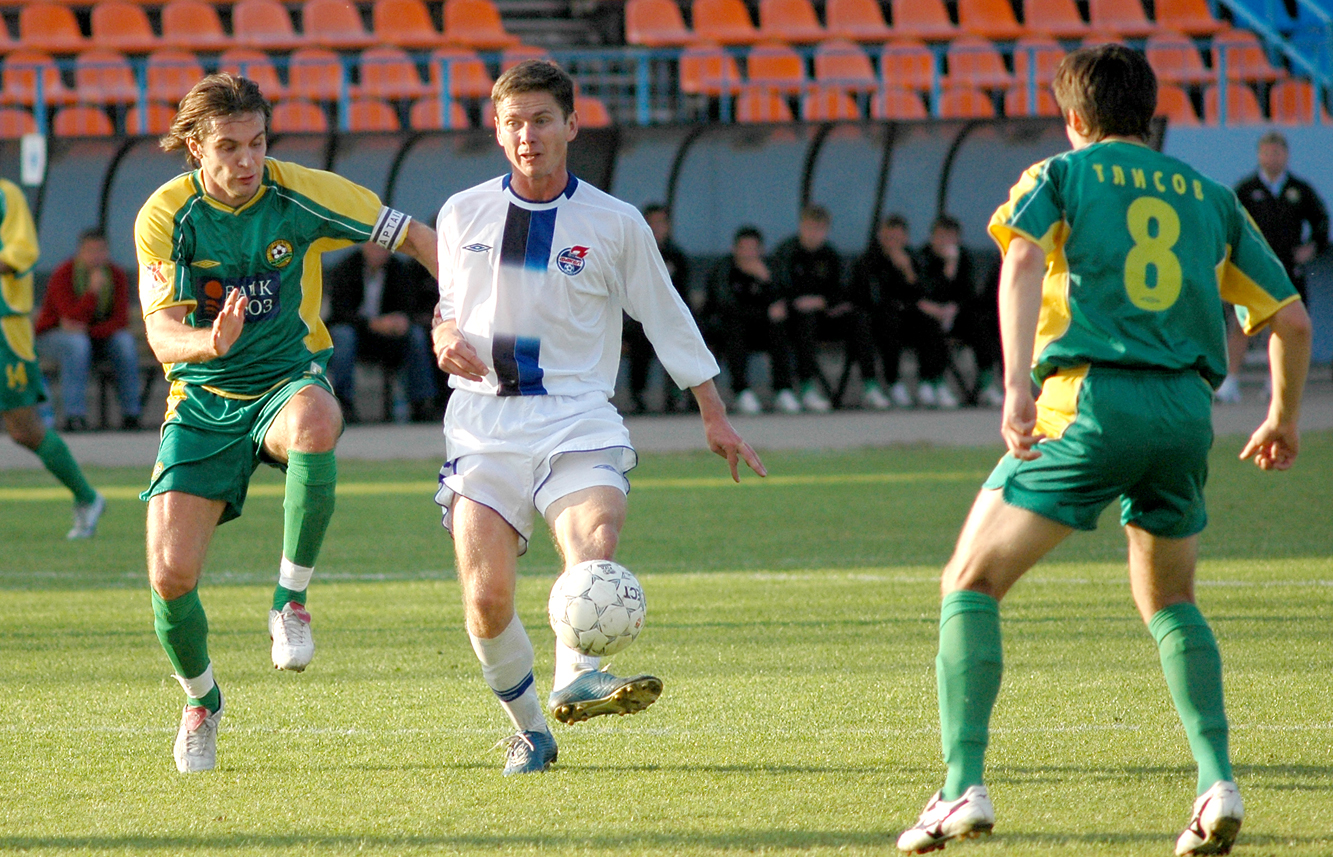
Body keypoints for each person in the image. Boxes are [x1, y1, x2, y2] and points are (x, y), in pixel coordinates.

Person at [896, 45, 1311, 856]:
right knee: (1171, 601)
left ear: (1072, 118)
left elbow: (1021, 257)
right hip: (1184, 414)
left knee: (969, 582)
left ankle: (960, 786)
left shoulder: (1058, 175)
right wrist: (1281, 417)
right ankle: (1216, 781)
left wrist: (1014, 386)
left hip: (1088, 402)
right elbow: (1289, 321)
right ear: (1149, 116)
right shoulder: (1211, 196)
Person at [431, 60, 766, 776]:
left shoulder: (614, 223)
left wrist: (714, 413)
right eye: (514, 122)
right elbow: (449, 305)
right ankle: (530, 730)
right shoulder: (462, 212)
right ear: (498, 133)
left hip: (577, 416)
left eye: (541, 120)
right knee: (486, 600)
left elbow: (666, 316)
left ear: (572, 126)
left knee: (596, 537)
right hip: (483, 424)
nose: (528, 134)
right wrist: (443, 333)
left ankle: (578, 673)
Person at [134, 73, 438, 775]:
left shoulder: (299, 192)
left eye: (258, 142)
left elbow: (417, 236)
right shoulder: (166, 215)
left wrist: (458, 312)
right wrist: (210, 342)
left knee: (317, 417)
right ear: (195, 147)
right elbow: (162, 334)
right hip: (203, 401)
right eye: (229, 147)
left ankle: (290, 600)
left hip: (284, 380)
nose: (248, 160)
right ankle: (202, 702)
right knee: (170, 578)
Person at [0, 178, 106, 539]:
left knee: (23, 429)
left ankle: (87, 497)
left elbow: (20, 253)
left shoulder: (6, 195)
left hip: (5, 332)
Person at [1216, 131, 1329, 402]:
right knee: (1242, 325)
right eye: (1267, 152)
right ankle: (1230, 381)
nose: (1272, 158)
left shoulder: (1299, 190)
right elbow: (1229, 224)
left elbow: (1321, 221)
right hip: (1253, 272)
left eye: (1277, 152)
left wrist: (1312, 247)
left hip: (1288, 270)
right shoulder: (1246, 189)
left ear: (1286, 155)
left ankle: (1276, 382)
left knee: (1283, 328)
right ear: (1259, 155)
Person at [770, 205, 881, 412]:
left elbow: (842, 291)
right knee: (802, 319)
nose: (814, 234)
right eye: (810, 228)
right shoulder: (786, 252)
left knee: (860, 319)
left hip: (825, 318)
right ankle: (804, 387)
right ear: (802, 226)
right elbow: (779, 288)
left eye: (819, 229)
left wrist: (821, 302)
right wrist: (796, 303)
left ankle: (870, 384)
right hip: (795, 320)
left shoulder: (830, 254)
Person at [35, 229, 143, 431]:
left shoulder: (116, 275)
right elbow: (70, 317)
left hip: (96, 337)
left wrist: (90, 331)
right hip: (54, 336)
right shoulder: (64, 273)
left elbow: (120, 320)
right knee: (77, 345)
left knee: (124, 342)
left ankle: (132, 414)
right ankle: (75, 416)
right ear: (80, 252)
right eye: (90, 251)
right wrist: (92, 292)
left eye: (100, 250)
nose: (96, 256)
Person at [324, 241, 440, 423]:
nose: (379, 252)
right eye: (374, 246)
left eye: (383, 248)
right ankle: (343, 403)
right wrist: (371, 323)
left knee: (416, 335)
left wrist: (401, 320)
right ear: (364, 246)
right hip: (358, 332)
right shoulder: (346, 267)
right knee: (343, 336)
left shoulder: (399, 269)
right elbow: (339, 312)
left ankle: (422, 402)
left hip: (389, 337)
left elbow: (411, 305)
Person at [847, 214, 947, 409]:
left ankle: (929, 381)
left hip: (908, 318)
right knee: (886, 322)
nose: (892, 243)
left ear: (905, 239)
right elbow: (869, 297)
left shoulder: (914, 259)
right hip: (879, 319)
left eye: (896, 238)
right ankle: (891, 382)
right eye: (888, 238)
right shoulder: (869, 260)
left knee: (929, 320)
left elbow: (922, 294)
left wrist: (908, 271)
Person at [705, 225, 801, 414]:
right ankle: (741, 391)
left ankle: (783, 389)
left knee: (779, 328)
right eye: (744, 248)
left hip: (761, 330)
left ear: (761, 250)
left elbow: (783, 304)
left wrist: (767, 280)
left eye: (753, 248)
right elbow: (726, 308)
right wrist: (764, 314)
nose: (748, 254)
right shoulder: (724, 270)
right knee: (734, 328)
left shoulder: (769, 269)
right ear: (735, 249)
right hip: (728, 331)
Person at [917, 215, 1004, 408]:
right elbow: (926, 292)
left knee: (979, 322)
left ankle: (986, 381)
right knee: (928, 327)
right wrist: (948, 269)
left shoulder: (964, 257)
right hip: (929, 316)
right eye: (941, 237)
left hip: (956, 317)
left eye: (951, 237)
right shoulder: (922, 257)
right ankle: (934, 383)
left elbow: (968, 293)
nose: (946, 242)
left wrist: (955, 308)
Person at [622, 203, 693, 413]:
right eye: (651, 223)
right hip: (638, 317)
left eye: (660, 223)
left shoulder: (677, 256)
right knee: (640, 337)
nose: (656, 228)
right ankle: (638, 395)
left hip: (668, 318)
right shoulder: (631, 253)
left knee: (676, 338)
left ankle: (677, 394)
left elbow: (683, 296)